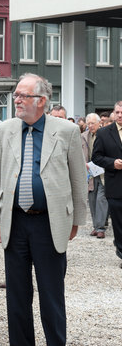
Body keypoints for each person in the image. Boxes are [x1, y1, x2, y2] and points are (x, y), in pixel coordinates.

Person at [0, 73, 87, 346]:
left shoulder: (66, 131)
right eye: (16, 95)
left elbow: (78, 179)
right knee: (17, 296)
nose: (16, 100)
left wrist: (76, 220)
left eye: (23, 96)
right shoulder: (4, 130)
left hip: (50, 224)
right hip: (15, 223)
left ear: (41, 101)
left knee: (51, 294)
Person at [92, 101, 122, 267]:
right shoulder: (104, 133)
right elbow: (96, 156)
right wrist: (112, 163)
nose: (119, 115)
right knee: (118, 222)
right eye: (117, 112)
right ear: (113, 113)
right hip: (115, 185)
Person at [81, 113, 108, 239]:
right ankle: (95, 226)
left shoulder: (105, 135)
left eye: (93, 123)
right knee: (92, 200)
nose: (90, 126)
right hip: (90, 172)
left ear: (99, 123)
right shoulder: (83, 136)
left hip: (104, 171)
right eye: (88, 123)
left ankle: (100, 228)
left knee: (101, 199)